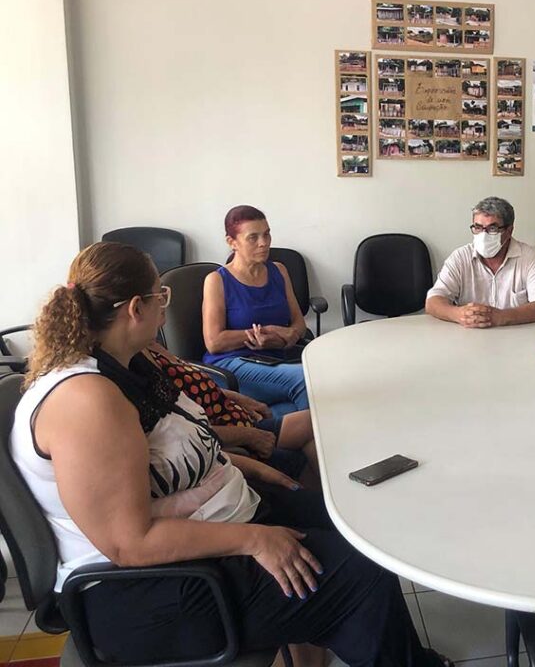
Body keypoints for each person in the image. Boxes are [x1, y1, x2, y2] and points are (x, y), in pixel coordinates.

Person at [13, 242, 451, 667]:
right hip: (146, 592)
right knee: (359, 574)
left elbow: (171, 448)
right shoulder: (86, 402)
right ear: (135, 309)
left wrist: (240, 464)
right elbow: (130, 543)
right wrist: (254, 539)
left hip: (207, 526)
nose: (165, 308)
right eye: (160, 297)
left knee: (358, 531)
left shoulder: (127, 363)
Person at [145, 341, 319, 489]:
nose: (163, 310)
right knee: (305, 459)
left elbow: (198, 385)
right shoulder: (143, 370)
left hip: (238, 421)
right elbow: (189, 433)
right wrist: (251, 436)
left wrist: (240, 398)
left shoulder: (151, 346)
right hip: (229, 444)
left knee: (316, 422)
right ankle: (319, 499)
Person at [203, 205, 308, 418]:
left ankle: (265, 423)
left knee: (315, 390)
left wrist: (290, 336)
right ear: (232, 242)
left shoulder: (279, 270)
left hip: (275, 360)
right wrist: (267, 332)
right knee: (306, 380)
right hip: (233, 364)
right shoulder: (217, 280)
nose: (264, 243)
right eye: (253, 237)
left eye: (267, 234)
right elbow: (214, 342)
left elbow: (299, 323)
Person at [425, 196, 535, 328]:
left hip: (519, 335)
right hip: (470, 335)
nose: (483, 235)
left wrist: (500, 317)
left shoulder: (530, 257)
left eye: (492, 229)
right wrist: (458, 314)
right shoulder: (460, 257)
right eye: (478, 228)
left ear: (509, 231)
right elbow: (433, 301)